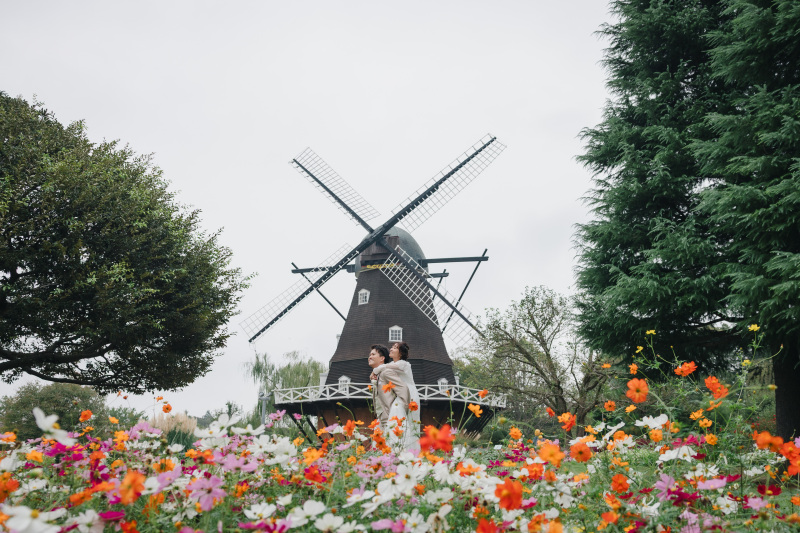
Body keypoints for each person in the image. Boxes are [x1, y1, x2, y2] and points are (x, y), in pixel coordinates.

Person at [370, 341, 421, 453]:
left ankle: (399, 447)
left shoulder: (403, 364)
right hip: (400, 394)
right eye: (392, 347)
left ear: (401, 353)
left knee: (399, 417)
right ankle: (395, 446)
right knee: (397, 418)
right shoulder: (392, 366)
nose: (391, 349)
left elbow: (385, 368)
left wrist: (376, 370)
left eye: (395, 347)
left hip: (408, 394)